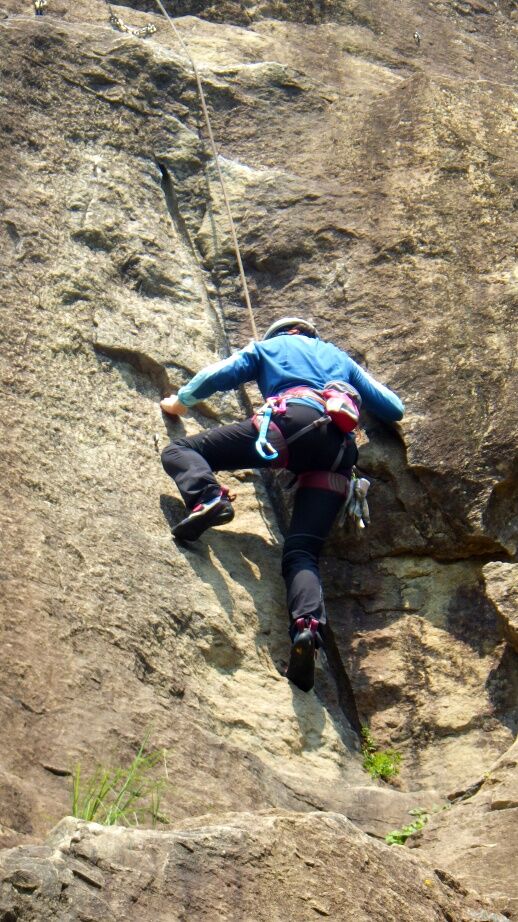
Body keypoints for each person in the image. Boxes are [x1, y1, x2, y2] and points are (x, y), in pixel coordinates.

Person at [160, 317, 404, 692]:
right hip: (339, 453)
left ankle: (208, 497)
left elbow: (219, 374)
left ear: (284, 334)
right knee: (301, 554)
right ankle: (307, 629)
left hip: (290, 424)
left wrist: (181, 402)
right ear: (308, 333)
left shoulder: (269, 347)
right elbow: (394, 407)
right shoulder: (340, 359)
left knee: (181, 450)